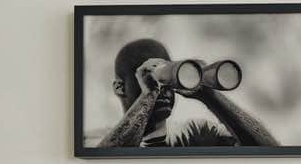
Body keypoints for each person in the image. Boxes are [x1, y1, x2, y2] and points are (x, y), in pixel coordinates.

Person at [98, 36, 279, 148]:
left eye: (164, 78)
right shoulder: (96, 139)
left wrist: (210, 95)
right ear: (120, 87)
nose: (162, 89)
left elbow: (270, 149)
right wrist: (149, 94)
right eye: (147, 76)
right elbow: (107, 158)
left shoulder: (196, 133)